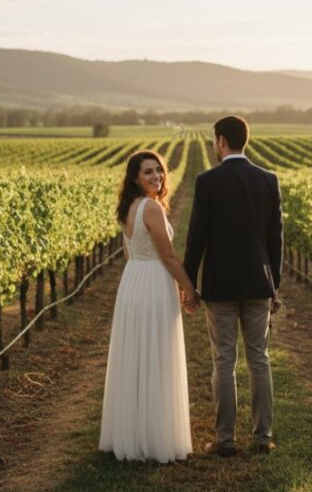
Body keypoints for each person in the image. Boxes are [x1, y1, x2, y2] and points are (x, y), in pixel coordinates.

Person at [184, 116, 283, 457]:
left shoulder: (208, 181)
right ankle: (262, 437)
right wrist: (275, 284)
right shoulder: (268, 180)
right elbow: (275, 237)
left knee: (224, 360)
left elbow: (197, 234)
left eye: (215, 142)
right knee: (259, 359)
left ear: (222, 141)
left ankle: (225, 439)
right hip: (258, 281)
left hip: (220, 284)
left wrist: (188, 281)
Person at [99, 150, 196, 463]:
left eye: (159, 171)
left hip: (133, 280)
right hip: (153, 280)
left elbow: (129, 254)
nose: (157, 177)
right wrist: (189, 288)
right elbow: (167, 257)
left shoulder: (130, 206)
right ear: (135, 178)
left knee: (138, 355)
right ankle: (154, 438)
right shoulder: (152, 207)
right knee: (155, 353)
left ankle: (133, 433)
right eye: (148, 173)